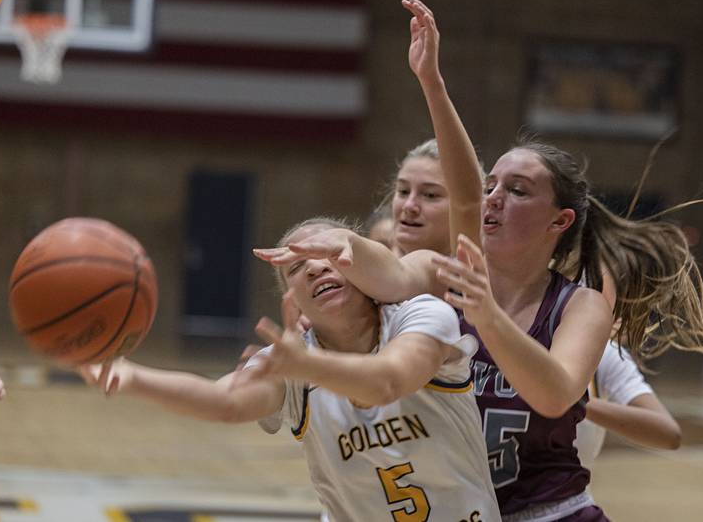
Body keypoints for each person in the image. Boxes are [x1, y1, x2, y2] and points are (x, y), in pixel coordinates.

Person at [256, 0, 703, 520]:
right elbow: (393, 266)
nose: (493, 199)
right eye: (490, 187)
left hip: (550, 512)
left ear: (560, 221)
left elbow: (553, 396)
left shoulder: (580, 306)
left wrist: (487, 318)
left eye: (519, 190)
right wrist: (345, 253)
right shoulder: (444, 275)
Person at [82, 217, 501, 522]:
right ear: (294, 301)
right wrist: (134, 377)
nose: (315, 267)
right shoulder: (290, 360)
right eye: (296, 268)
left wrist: (311, 365)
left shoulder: (422, 315)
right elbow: (225, 401)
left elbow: (389, 381)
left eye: (326, 257)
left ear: (365, 271)